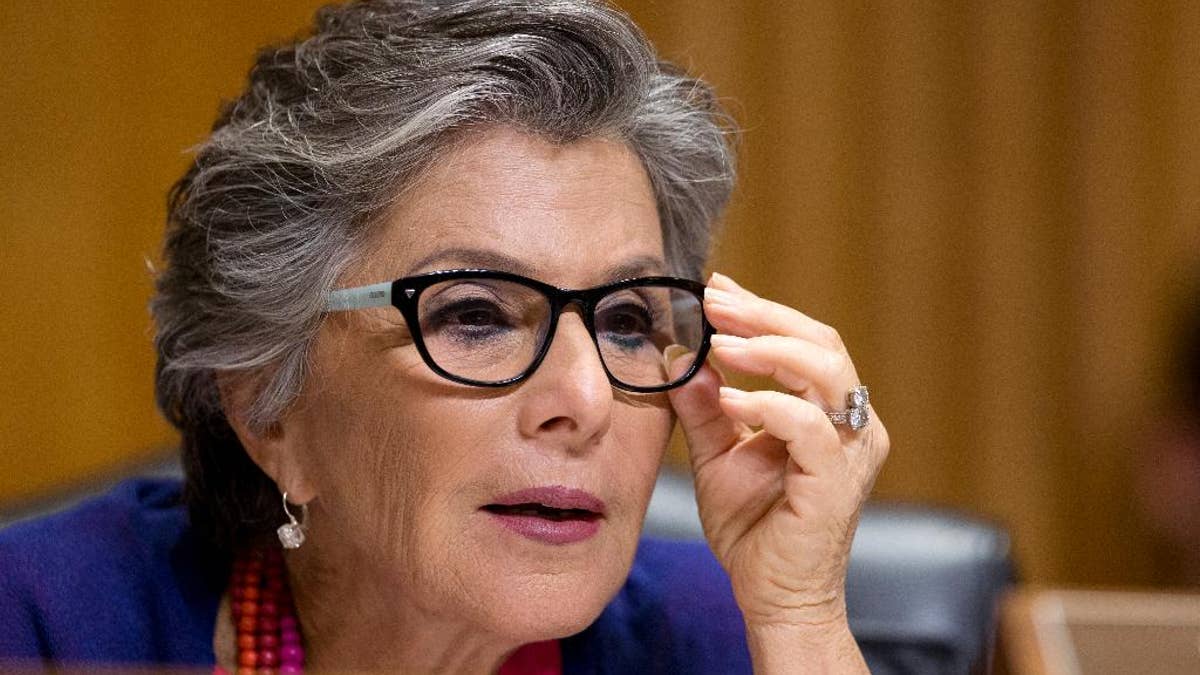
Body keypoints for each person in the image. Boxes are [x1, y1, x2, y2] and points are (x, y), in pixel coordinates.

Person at [0, 1, 889, 672]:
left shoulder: (716, 633)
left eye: (625, 320)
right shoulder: (44, 623)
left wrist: (802, 618)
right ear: (270, 408)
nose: (583, 401)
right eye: (475, 315)